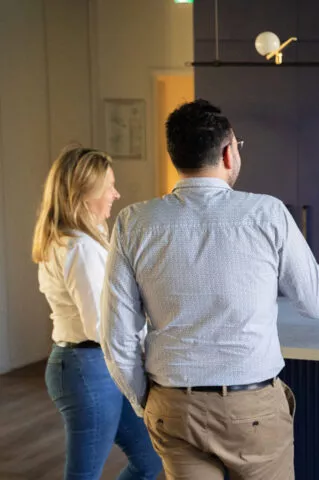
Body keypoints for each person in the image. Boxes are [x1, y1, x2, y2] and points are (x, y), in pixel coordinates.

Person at [100, 99, 319, 479]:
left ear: (176, 155)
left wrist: (147, 400)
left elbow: (117, 338)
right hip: (252, 408)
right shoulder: (268, 214)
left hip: (173, 406)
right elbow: (316, 303)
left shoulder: (133, 223)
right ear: (228, 153)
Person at [32, 145, 162, 480]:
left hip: (90, 366)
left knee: (149, 461)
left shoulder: (76, 240)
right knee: (84, 475)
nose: (116, 194)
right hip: (87, 368)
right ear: (84, 194)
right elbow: (100, 326)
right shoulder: (79, 247)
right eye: (109, 187)